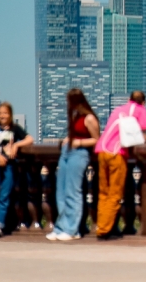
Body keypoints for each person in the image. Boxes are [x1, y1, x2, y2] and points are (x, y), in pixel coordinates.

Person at [46, 88, 100, 241]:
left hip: (79, 154)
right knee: (61, 191)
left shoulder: (89, 118)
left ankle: (72, 229)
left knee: (72, 191)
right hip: (67, 152)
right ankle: (60, 227)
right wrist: (67, 140)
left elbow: (97, 140)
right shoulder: (76, 116)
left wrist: (79, 142)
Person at [95, 90, 146, 240]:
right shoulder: (140, 110)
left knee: (103, 193)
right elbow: (143, 134)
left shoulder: (118, 110)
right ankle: (104, 230)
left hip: (101, 150)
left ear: (128, 99)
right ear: (143, 102)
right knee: (115, 193)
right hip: (116, 153)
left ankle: (102, 225)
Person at [0, 101, 33, 237]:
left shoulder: (15, 128)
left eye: (5, 113)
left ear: (10, 114)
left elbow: (29, 139)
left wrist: (16, 145)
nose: (2, 115)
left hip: (9, 166)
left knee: (5, 195)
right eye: (0, 113)